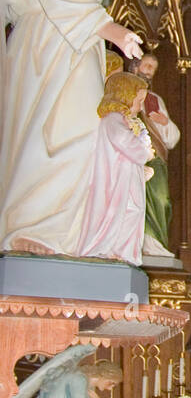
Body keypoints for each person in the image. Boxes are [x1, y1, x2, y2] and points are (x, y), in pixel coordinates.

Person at [0, 0, 142, 255]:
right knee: (65, 130)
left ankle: (52, 230)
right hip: (58, 40)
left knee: (65, 129)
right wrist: (108, 27)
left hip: (64, 40)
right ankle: (35, 228)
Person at [76, 70, 154, 264]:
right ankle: (106, 248)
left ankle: (123, 252)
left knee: (132, 211)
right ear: (125, 95)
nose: (141, 105)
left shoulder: (123, 120)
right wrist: (145, 151)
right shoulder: (113, 119)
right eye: (139, 99)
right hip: (117, 181)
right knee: (118, 212)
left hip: (126, 178)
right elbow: (125, 142)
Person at [130, 50, 180, 257]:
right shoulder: (121, 91)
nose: (149, 72)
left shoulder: (155, 100)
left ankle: (153, 244)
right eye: (147, 66)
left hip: (154, 157)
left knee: (161, 199)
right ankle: (132, 243)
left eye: (153, 69)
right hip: (128, 155)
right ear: (135, 66)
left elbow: (172, 138)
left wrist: (165, 123)